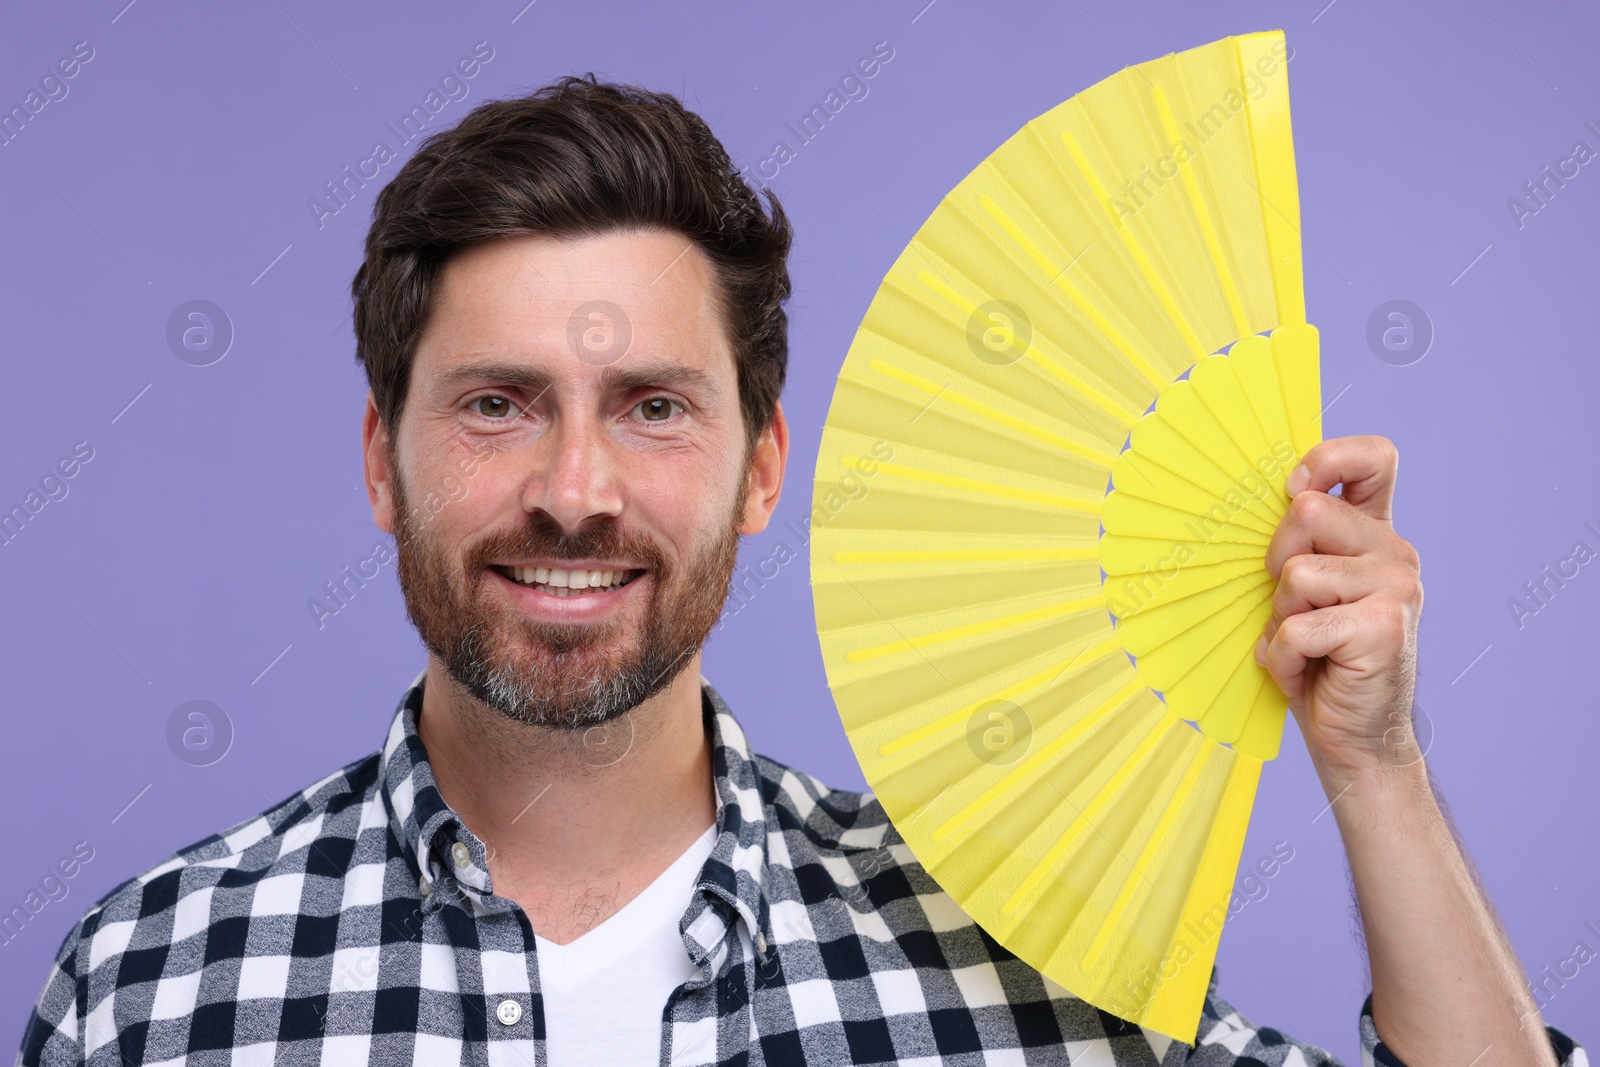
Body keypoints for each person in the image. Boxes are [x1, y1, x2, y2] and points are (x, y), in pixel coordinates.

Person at [18, 75, 1585, 1067]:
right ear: (382, 460)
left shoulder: (1014, 953)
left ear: (763, 466)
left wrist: (1370, 763)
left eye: (653, 408)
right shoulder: (151, 984)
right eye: (499, 405)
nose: (576, 493)